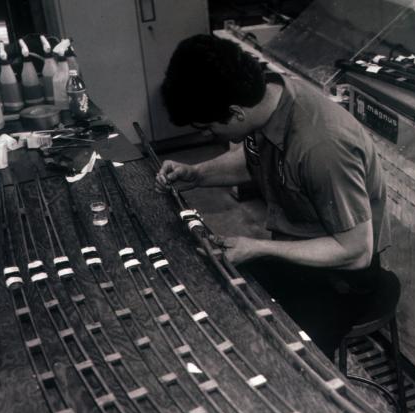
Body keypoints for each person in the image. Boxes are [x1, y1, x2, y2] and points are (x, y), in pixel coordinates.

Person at [158, 34, 390, 359]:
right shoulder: (267, 99)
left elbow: (356, 252)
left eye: (208, 129)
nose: (207, 136)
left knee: (278, 357)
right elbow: (256, 160)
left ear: (236, 113)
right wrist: (197, 175)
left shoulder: (322, 147)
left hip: (341, 275)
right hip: (296, 250)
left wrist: (258, 247)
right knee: (208, 297)